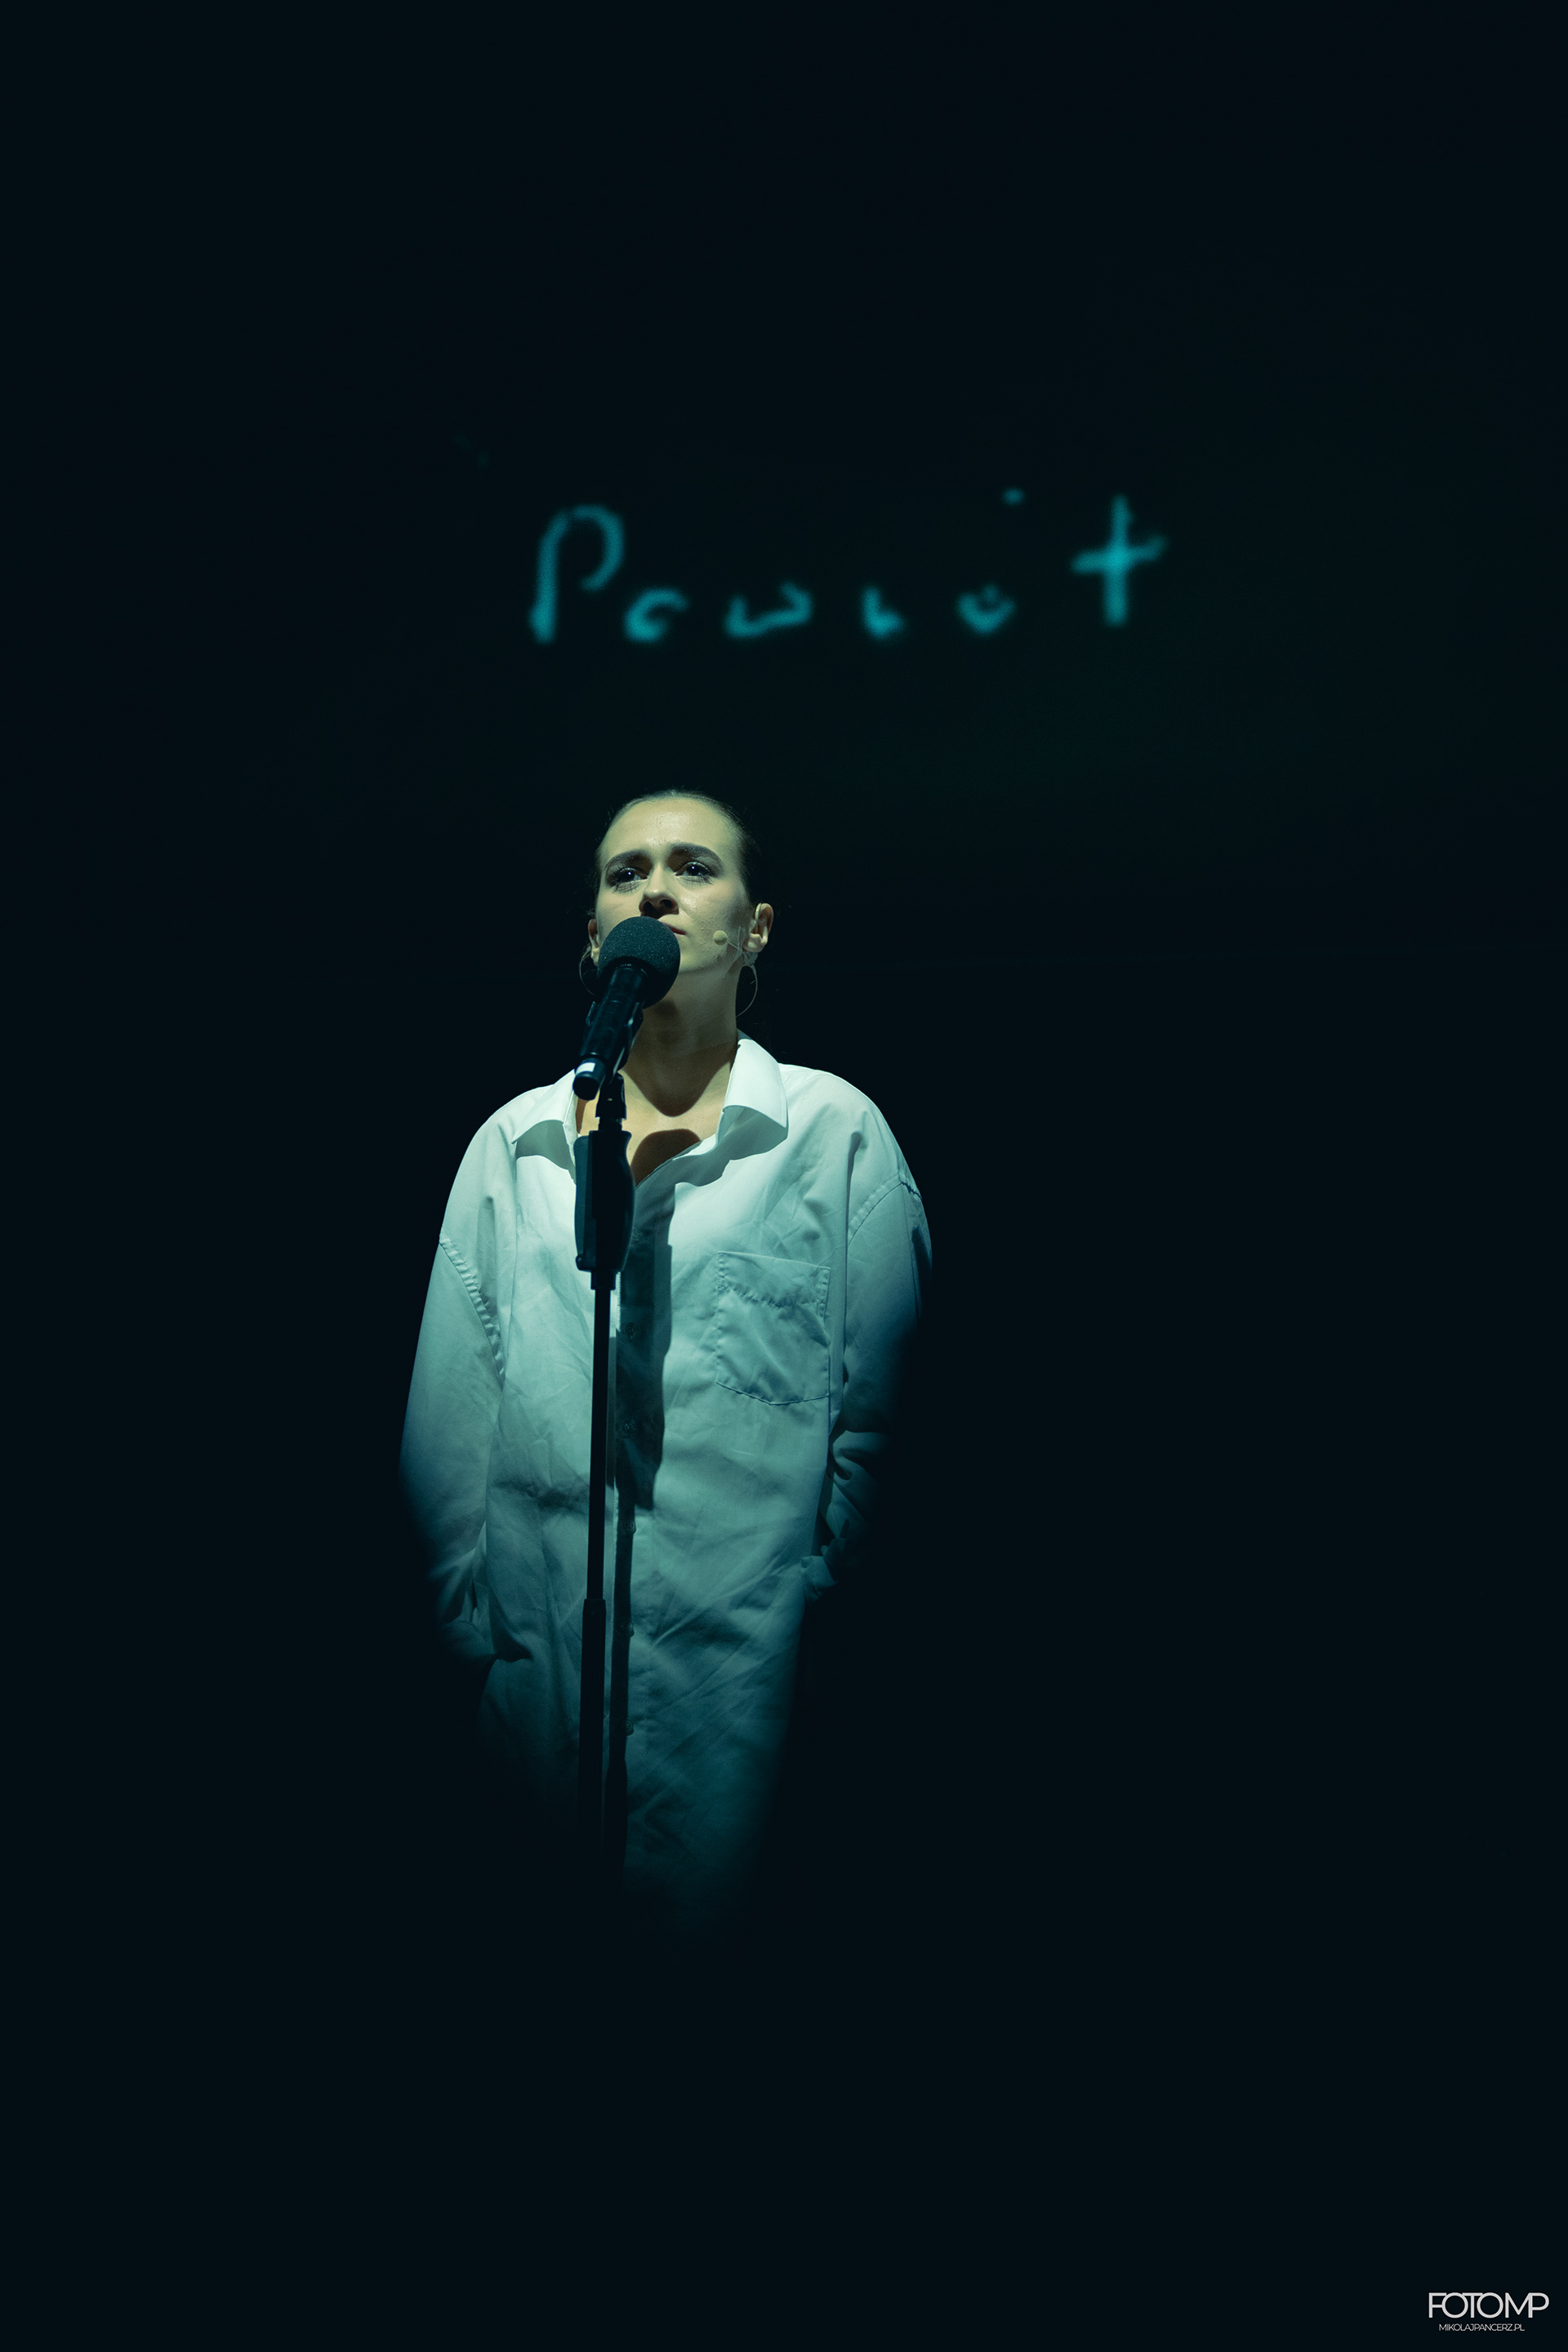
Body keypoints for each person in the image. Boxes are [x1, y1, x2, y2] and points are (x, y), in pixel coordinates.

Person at [399, 792, 929, 1935]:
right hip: (530, 1725)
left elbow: (888, 1424)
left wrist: (802, 1622)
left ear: (755, 928)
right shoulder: (516, 1147)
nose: (655, 890)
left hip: (746, 1727)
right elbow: (448, 1432)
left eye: (692, 867)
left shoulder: (834, 1134)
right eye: (624, 873)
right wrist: (466, 1659)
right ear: (594, 935)